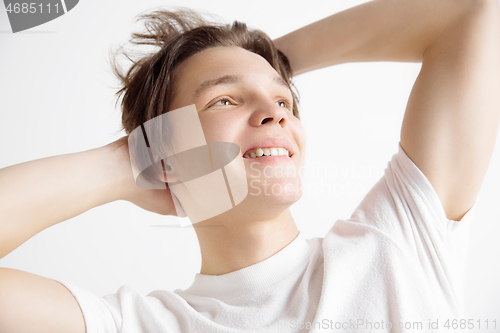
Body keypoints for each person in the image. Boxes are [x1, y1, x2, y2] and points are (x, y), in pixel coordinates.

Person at [0, 0, 499, 332]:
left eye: (284, 101)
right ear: (164, 152)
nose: (276, 113)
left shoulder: (399, 246)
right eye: (224, 101)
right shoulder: (138, 324)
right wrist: (125, 163)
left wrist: (270, 59)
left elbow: (475, 14)